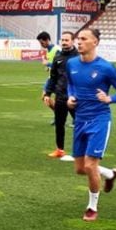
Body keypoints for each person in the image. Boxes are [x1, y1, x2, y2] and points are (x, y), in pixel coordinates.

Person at [66, 27, 116, 222]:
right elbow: (70, 84)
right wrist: (70, 97)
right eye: (78, 39)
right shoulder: (71, 63)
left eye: (84, 39)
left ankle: (92, 207)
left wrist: (110, 99)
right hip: (80, 119)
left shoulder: (106, 68)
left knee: (91, 165)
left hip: (100, 120)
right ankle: (110, 174)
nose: (79, 42)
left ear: (95, 42)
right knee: (80, 168)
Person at [42, 31, 77, 159]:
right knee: (59, 123)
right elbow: (53, 77)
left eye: (67, 40)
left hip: (75, 98)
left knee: (79, 125)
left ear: (73, 41)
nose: (64, 42)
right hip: (60, 96)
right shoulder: (58, 57)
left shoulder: (79, 57)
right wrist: (47, 93)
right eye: (62, 40)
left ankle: (78, 151)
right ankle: (60, 150)